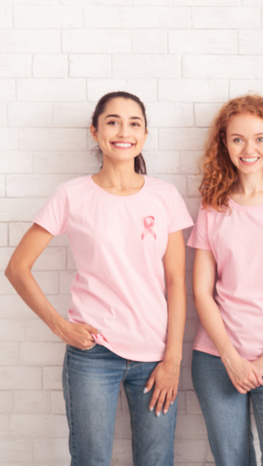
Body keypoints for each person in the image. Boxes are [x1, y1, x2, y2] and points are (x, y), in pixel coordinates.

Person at [4, 91, 192, 465]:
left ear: (145, 133)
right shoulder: (71, 195)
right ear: (95, 131)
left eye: (134, 123)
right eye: (112, 121)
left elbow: (176, 283)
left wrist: (173, 359)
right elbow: (17, 267)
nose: (124, 131)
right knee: (90, 460)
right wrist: (61, 327)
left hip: (155, 357)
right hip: (93, 356)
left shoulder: (165, 196)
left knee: (157, 461)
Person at [188, 94, 263, 466]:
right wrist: (231, 358)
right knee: (232, 460)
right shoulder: (213, 204)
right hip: (217, 358)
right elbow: (201, 292)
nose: (248, 148)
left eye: (258, 138)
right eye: (237, 138)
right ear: (224, 142)